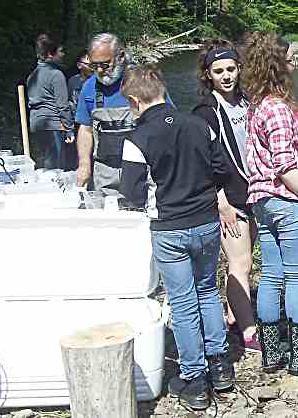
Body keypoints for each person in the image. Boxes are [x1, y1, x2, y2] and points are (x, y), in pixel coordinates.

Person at [119, 65, 233, 412]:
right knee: (208, 292)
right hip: (206, 221)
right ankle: (221, 367)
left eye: (131, 105)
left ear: (136, 101)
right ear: (163, 91)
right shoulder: (200, 125)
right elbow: (222, 170)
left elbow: (133, 194)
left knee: (182, 302)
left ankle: (195, 379)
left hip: (169, 227)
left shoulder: (137, 139)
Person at [241, 31, 298, 378]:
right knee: (296, 277)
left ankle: (271, 354)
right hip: (288, 202)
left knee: (272, 275)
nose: (295, 63)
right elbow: (284, 168)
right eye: (290, 57)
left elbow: (269, 156)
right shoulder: (278, 109)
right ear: (278, 64)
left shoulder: (258, 106)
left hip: (263, 202)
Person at [192, 39, 260, 352]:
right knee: (240, 261)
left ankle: (233, 315)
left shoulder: (246, 103)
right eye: (218, 71)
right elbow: (205, 162)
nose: (226, 75)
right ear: (208, 75)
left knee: (247, 257)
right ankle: (249, 332)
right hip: (228, 198)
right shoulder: (206, 112)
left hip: (253, 191)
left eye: (231, 68)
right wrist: (221, 204)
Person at [75, 32, 136, 192]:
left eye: (105, 64)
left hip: (141, 170)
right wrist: (84, 165)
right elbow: (85, 129)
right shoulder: (89, 88)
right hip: (105, 172)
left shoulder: (143, 82)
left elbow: (165, 121)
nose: (100, 70)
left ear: (121, 56)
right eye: (95, 66)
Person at [26, 32, 75, 170]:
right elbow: (62, 105)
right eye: (61, 51)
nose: (63, 54)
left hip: (36, 125)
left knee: (45, 165)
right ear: (50, 54)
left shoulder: (32, 75)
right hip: (53, 125)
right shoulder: (56, 75)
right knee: (56, 169)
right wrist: (70, 130)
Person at [67, 50, 92, 115]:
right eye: (89, 65)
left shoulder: (98, 82)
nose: (92, 68)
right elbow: (69, 101)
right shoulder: (72, 81)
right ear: (79, 65)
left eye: (94, 64)